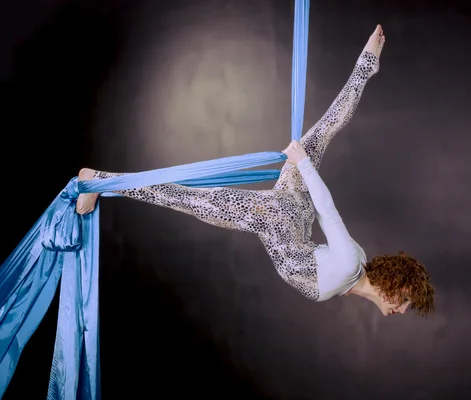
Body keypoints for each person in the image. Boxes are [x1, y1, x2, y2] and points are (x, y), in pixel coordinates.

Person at [76, 25, 435, 317]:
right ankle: (99, 179)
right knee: (186, 199)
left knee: (324, 130)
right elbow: (328, 212)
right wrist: (302, 163)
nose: (402, 311)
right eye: (404, 302)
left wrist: (303, 166)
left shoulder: (355, 265)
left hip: (293, 217)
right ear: (395, 288)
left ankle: (366, 65)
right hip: (275, 217)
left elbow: (344, 272)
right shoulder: (348, 266)